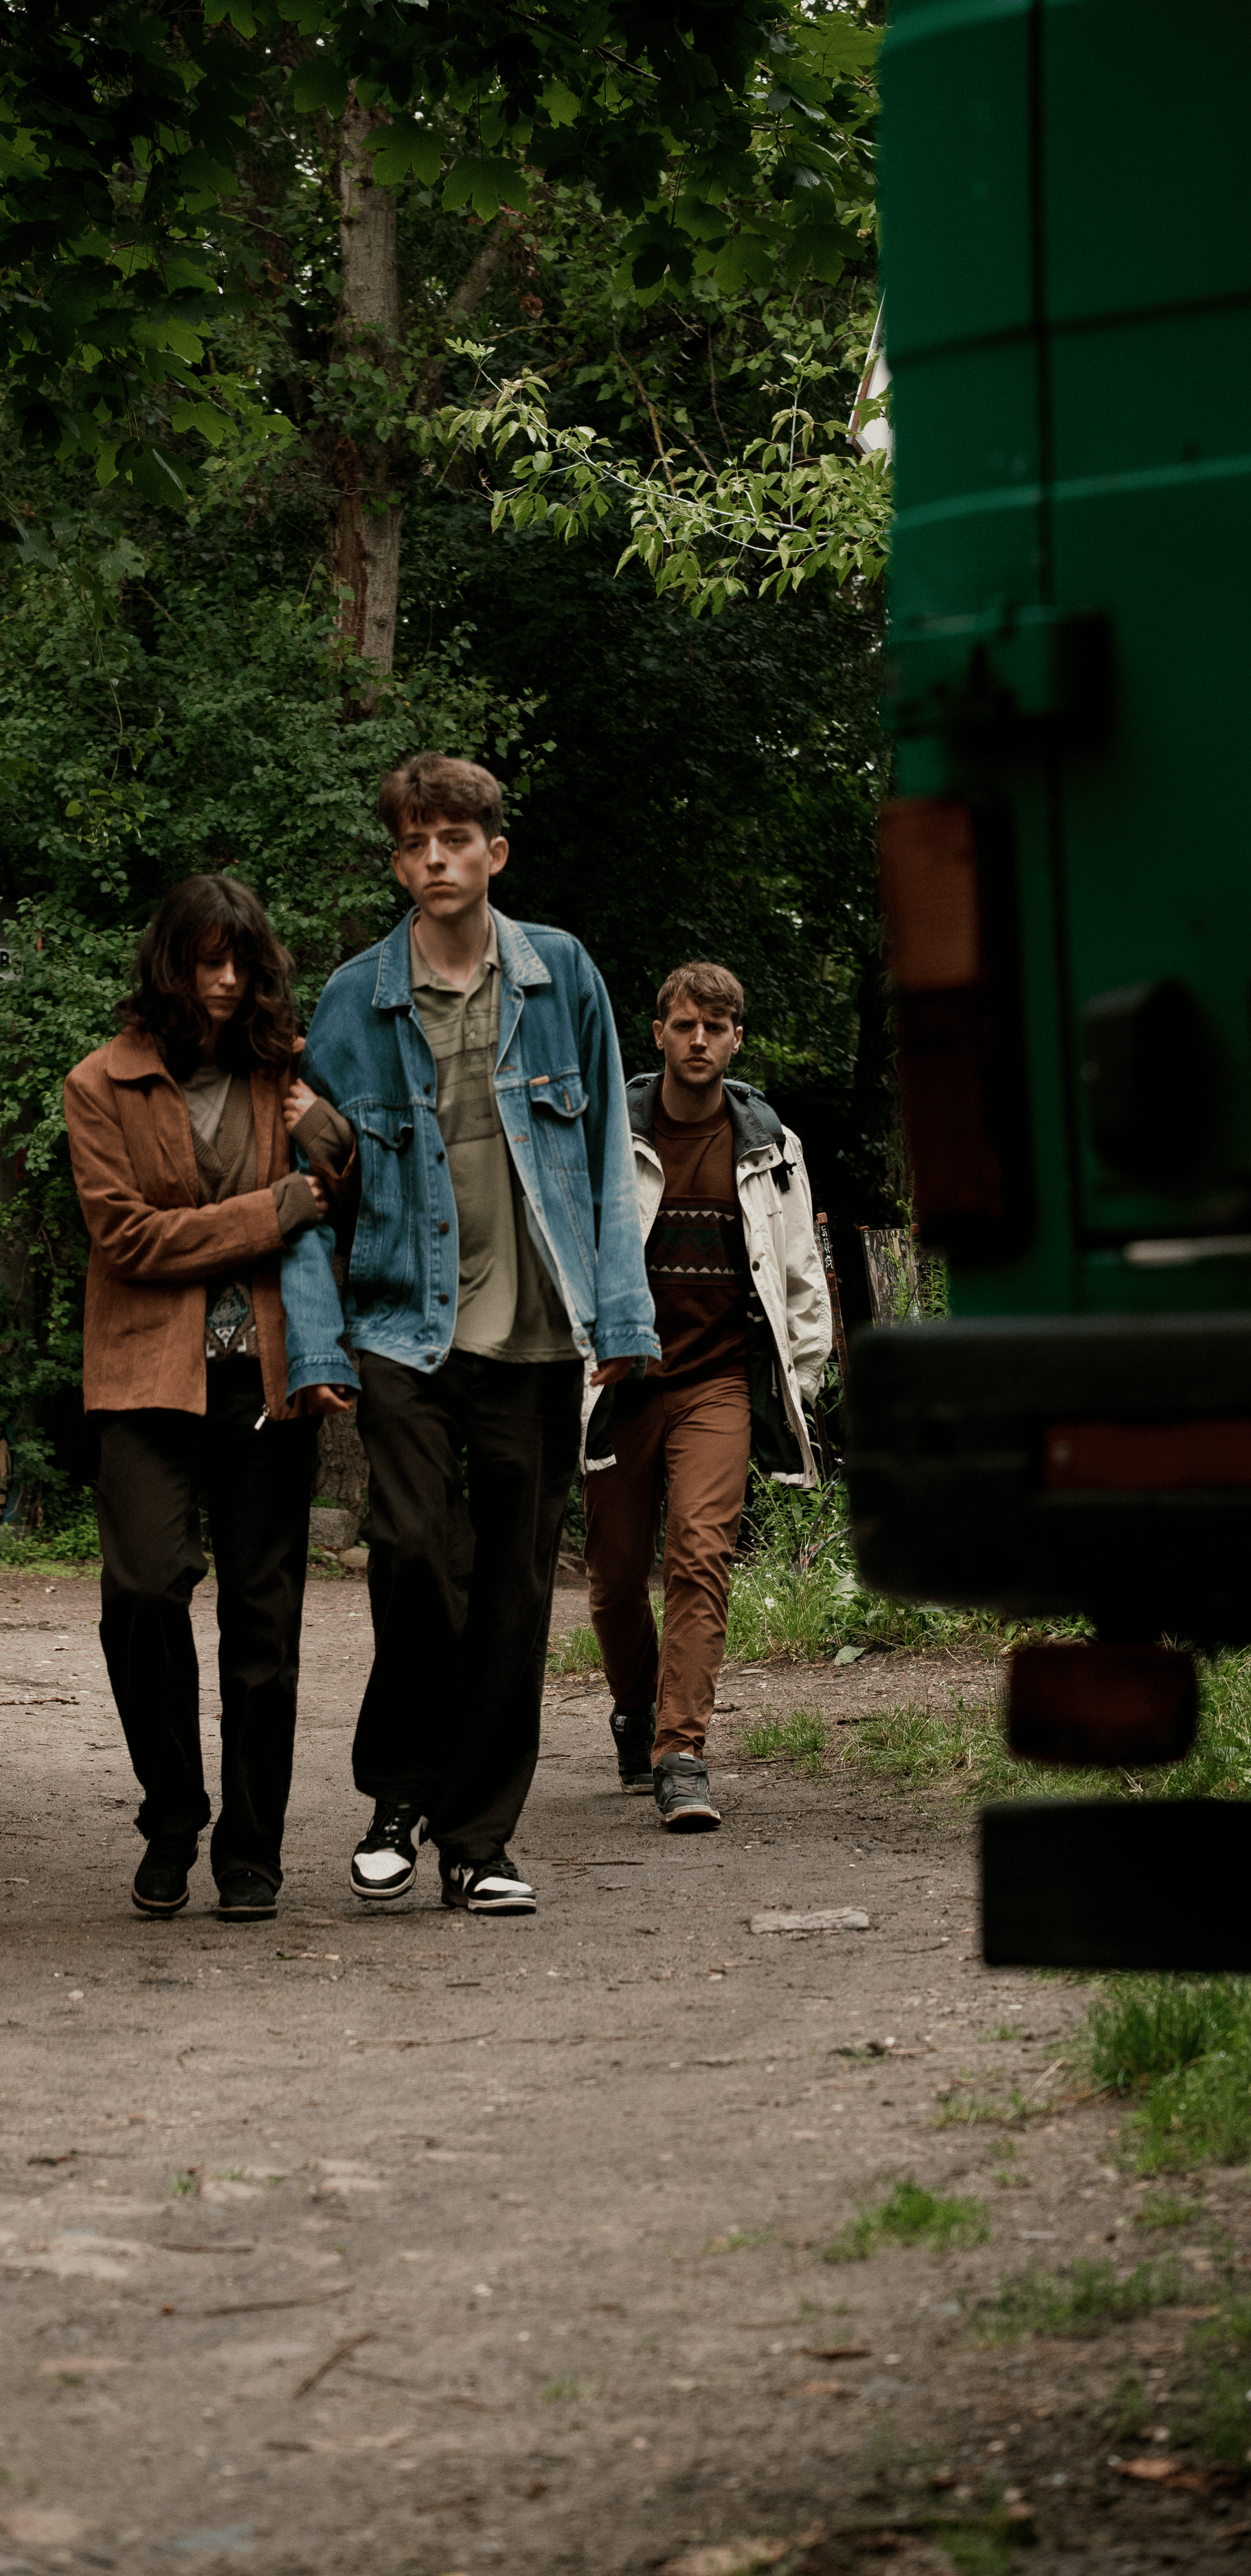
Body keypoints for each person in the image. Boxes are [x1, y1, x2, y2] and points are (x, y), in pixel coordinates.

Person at [280, 753, 658, 1916]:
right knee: (410, 1557)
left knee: (509, 1593)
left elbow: (602, 1156)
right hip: (404, 1324)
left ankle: (478, 1842)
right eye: (412, 843)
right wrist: (317, 1344)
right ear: (397, 861)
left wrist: (622, 1317)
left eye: (455, 839)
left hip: (538, 1333)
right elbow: (310, 1183)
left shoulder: (563, 977)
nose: (434, 859)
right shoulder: (355, 997)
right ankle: (399, 1793)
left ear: (496, 852)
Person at [64, 876, 355, 1924]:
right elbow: (128, 1238)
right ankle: (173, 1811)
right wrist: (271, 1208)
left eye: (242, 962)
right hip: (145, 1376)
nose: (226, 982)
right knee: (142, 1591)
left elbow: (346, 1200)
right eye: (206, 961)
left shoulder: (283, 1072)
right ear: (170, 963)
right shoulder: (99, 1083)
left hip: (268, 1378)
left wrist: (328, 1136)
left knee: (263, 1618)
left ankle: (251, 1848)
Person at [582, 961, 830, 1829]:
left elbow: (800, 1276)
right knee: (613, 1579)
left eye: (714, 1028)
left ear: (734, 1039)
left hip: (720, 1381)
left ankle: (680, 1751)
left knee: (699, 1554)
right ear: (658, 1033)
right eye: (683, 1025)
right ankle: (635, 1705)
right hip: (621, 1383)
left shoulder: (771, 1146)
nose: (698, 1040)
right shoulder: (606, 1134)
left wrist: (796, 1380)